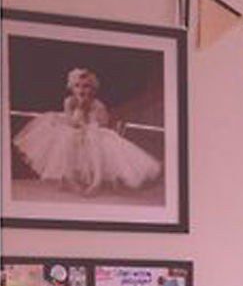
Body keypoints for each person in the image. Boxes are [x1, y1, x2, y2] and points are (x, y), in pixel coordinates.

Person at [14, 67, 161, 196]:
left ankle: (97, 180)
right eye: (77, 86)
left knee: (94, 137)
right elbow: (71, 122)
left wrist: (88, 121)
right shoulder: (69, 101)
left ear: (93, 89)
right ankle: (70, 178)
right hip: (73, 130)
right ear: (72, 88)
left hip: (94, 132)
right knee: (67, 137)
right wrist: (79, 109)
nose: (82, 90)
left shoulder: (97, 104)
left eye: (86, 86)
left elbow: (102, 124)